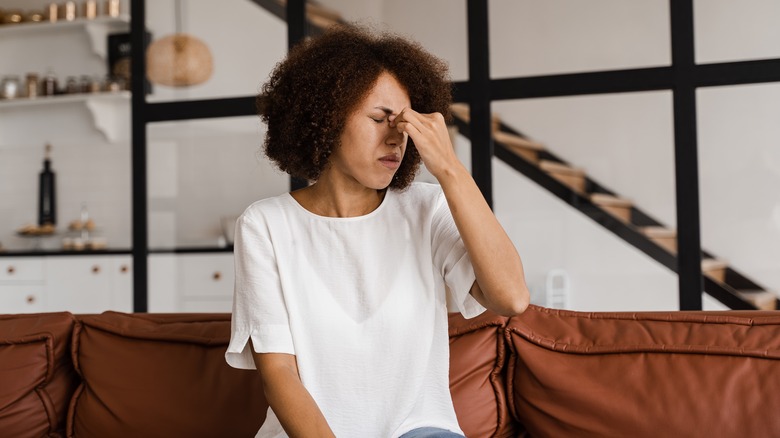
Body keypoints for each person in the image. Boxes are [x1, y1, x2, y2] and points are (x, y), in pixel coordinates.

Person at [226, 25, 529, 438]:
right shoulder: (265, 225)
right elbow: (279, 372)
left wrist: (451, 171)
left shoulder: (427, 208)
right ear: (326, 119)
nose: (396, 137)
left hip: (419, 430)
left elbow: (510, 297)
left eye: (404, 123)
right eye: (379, 119)